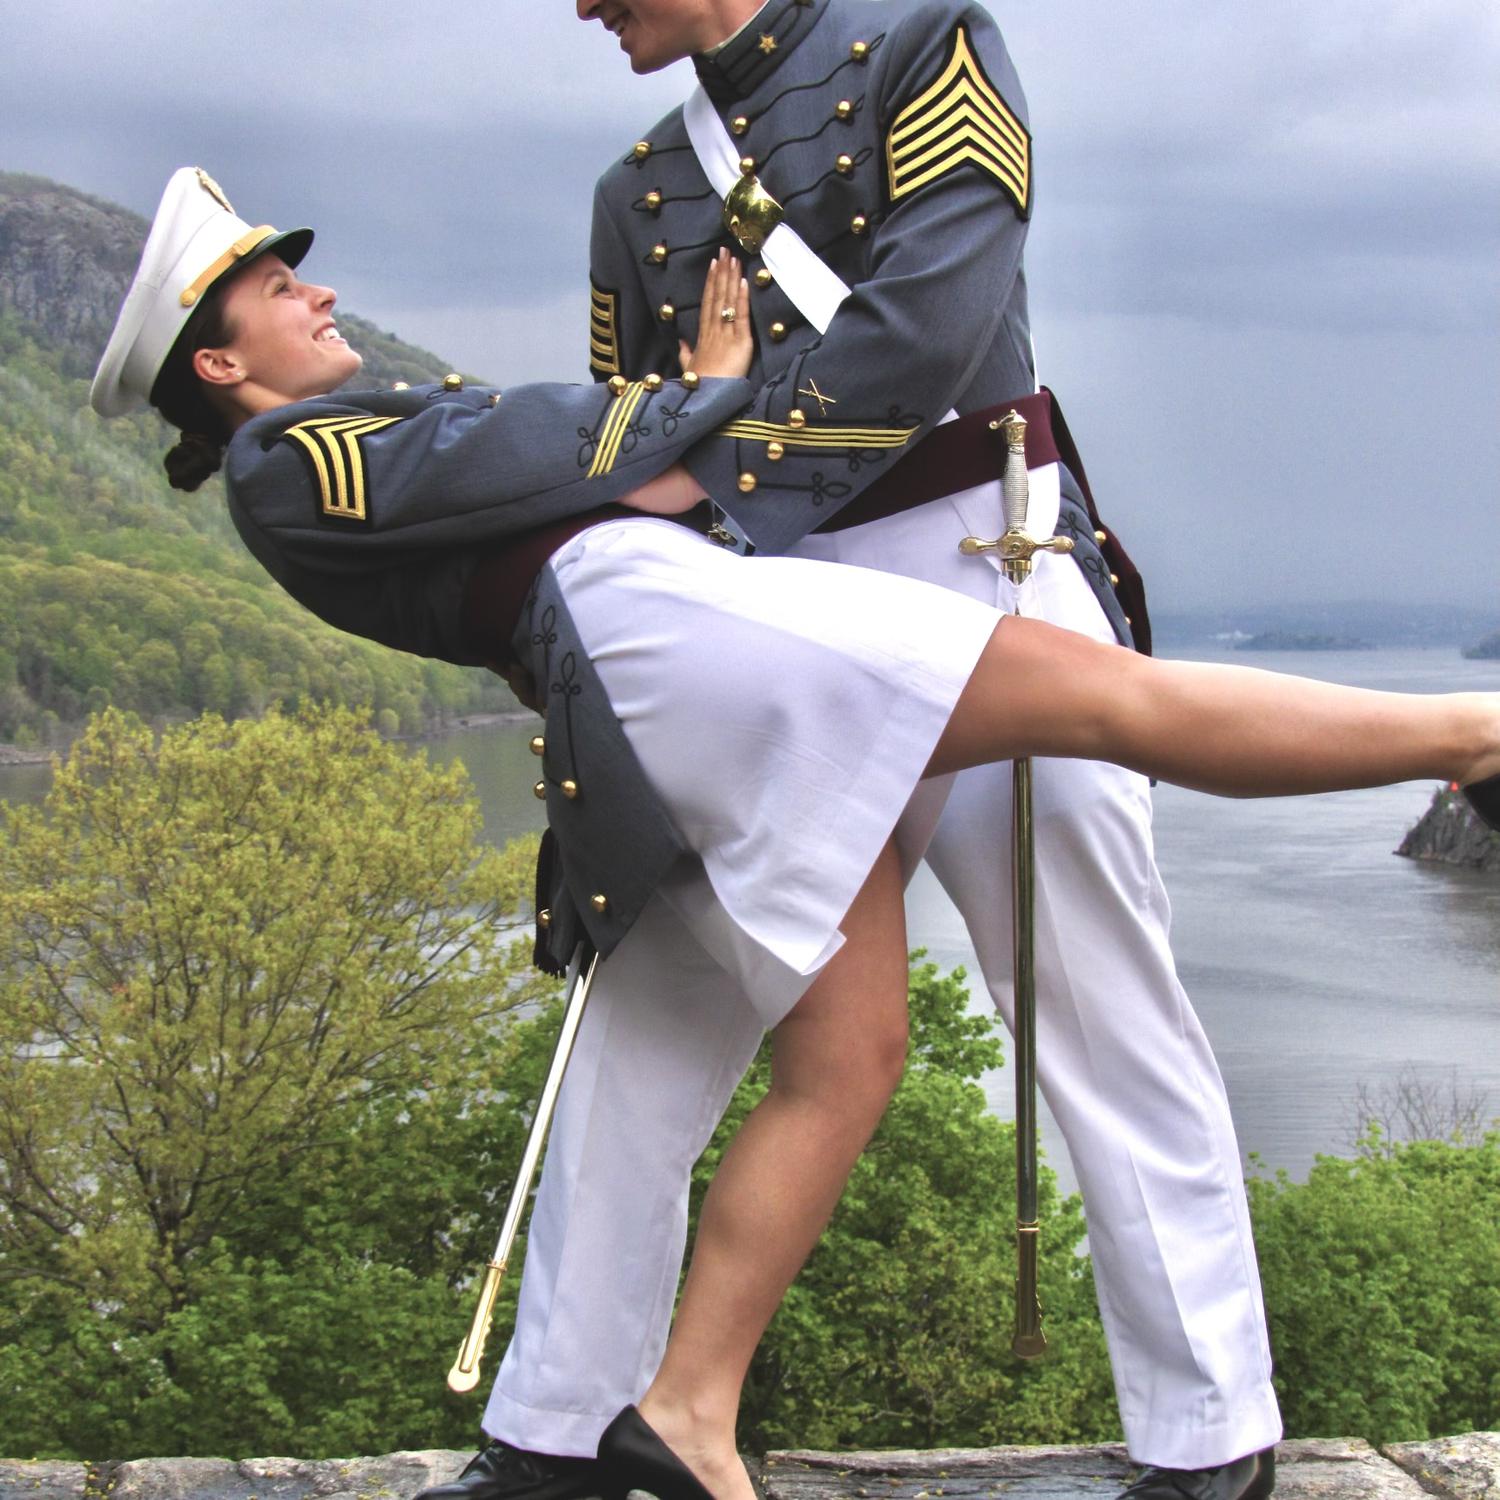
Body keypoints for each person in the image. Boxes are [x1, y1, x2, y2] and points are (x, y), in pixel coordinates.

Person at [93, 166, 1500, 1500]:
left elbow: (576, 474)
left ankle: (686, 1413)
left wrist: (682, 410)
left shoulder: (324, 446)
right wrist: (707, 388)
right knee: (1112, 706)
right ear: (219, 366)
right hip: (680, 640)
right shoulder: (290, 461)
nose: (316, 296)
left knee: (851, 1056)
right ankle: (1472, 737)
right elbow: (608, 469)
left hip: (665, 663)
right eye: (278, 288)